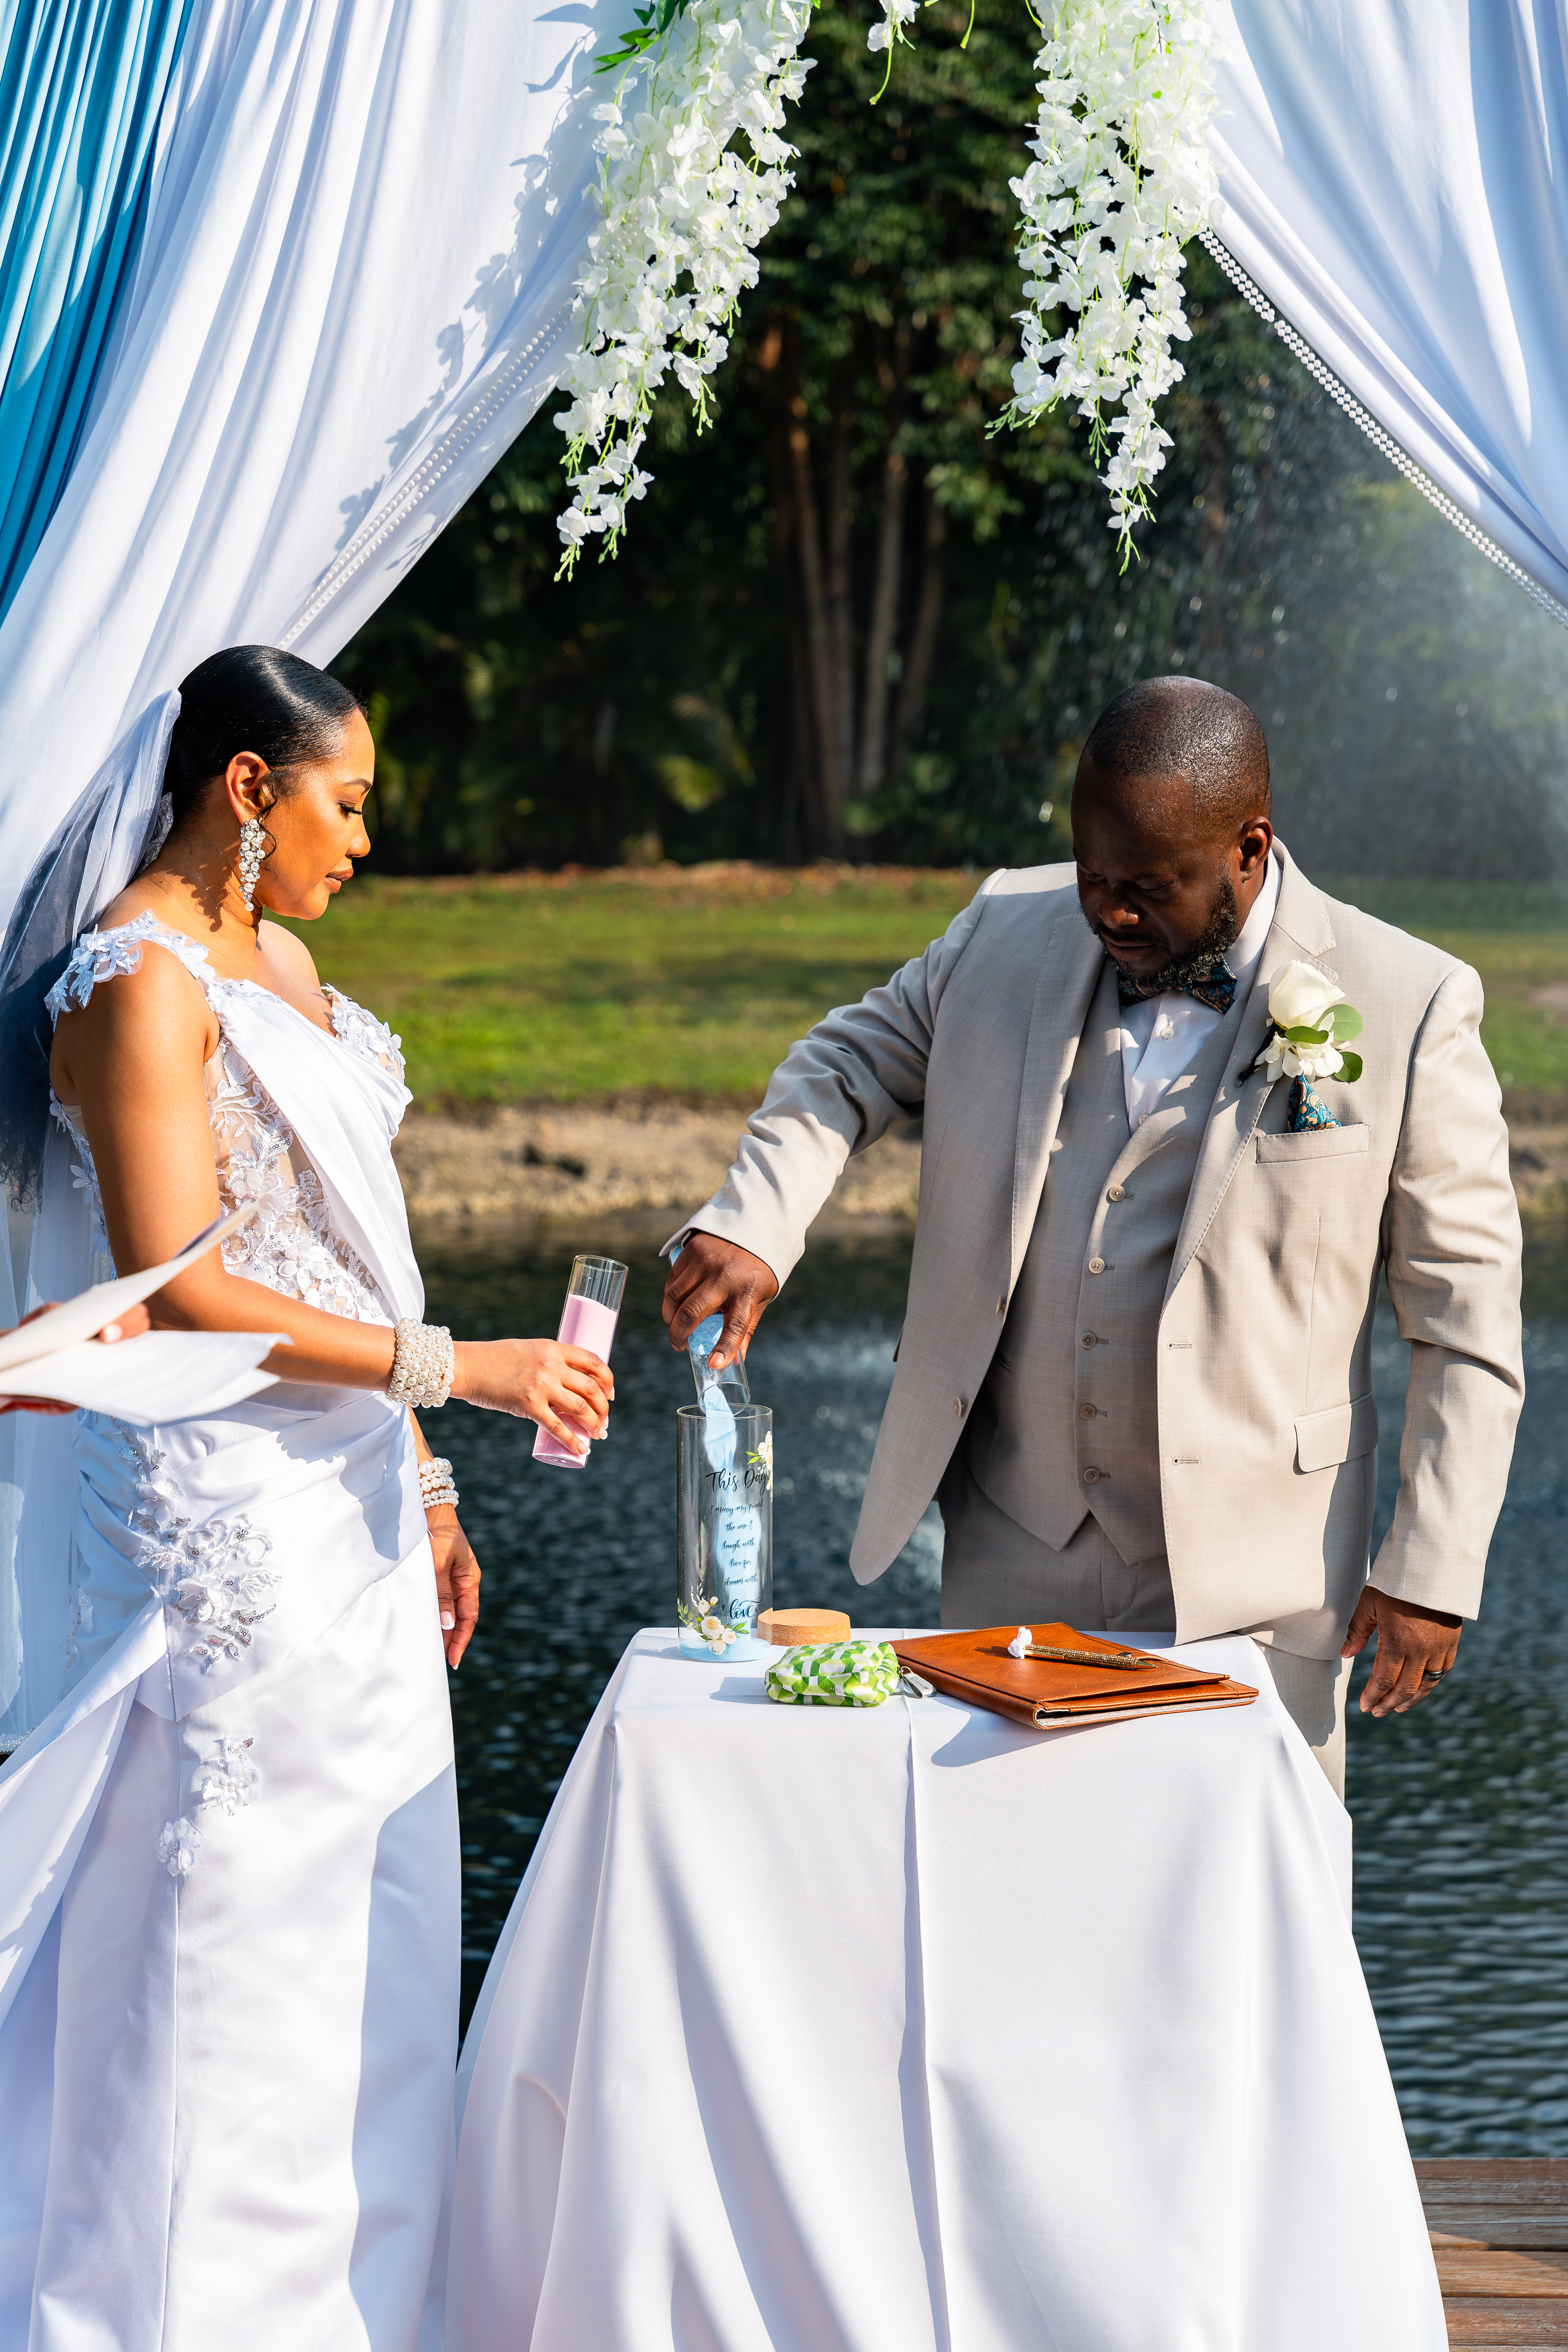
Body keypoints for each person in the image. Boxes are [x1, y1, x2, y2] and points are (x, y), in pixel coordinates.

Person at [0, 646, 614, 2348]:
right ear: (250, 787)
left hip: (350, 1519)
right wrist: (457, 1374)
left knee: (379, 1934)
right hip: (222, 1539)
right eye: (346, 800)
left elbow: (350, 1243)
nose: (366, 838)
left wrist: (425, 1481)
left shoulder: (289, 960)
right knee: (225, 1949)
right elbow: (181, 1293)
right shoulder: (136, 983)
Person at [662, 676, 1524, 1797]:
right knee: (1001, 1910)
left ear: (1248, 849)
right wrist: (756, 1225)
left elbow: (1465, 1318)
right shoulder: (999, 933)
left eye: (1146, 888)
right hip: (1014, 1558)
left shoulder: (1407, 1004)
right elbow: (844, 1063)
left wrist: (1429, 1569)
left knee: (1236, 1944)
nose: (1108, 914)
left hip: (1257, 1583)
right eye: (1091, 879)